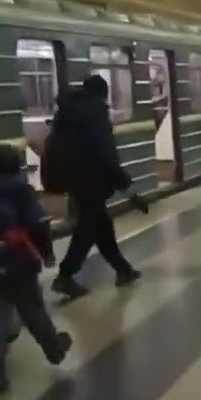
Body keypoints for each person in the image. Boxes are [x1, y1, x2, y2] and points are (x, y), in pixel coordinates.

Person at [0, 144, 73, 395]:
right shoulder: (21, 190)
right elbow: (37, 224)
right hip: (18, 264)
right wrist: (46, 253)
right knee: (32, 309)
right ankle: (54, 349)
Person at [45, 74, 142, 298]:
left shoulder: (67, 110)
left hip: (71, 177)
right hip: (92, 179)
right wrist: (126, 184)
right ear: (103, 93)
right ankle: (66, 275)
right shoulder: (96, 112)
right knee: (88, 227)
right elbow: (104, 152)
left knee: (100, 224)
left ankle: (123, 269)